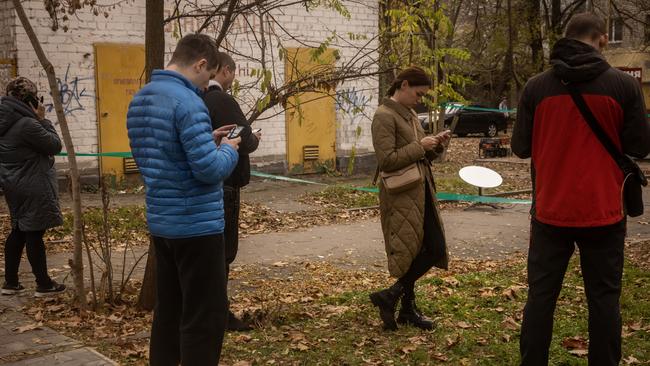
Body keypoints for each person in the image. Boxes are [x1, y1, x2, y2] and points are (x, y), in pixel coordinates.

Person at [512, 13, 650, 366]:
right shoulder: (624, 86)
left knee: (541, 297)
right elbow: (640, 145)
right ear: (602, 39)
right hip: (604, 210)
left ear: (566, 37)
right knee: (604, 300)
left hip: (549, 211)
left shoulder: (536, 87)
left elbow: (521, 147)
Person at [126, 34, 240, 366]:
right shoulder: (189, 103)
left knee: (169, 311)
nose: (208, 85)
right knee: (204, 317)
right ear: (201, 64)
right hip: (197, 227)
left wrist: (206, 138)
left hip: (163, 224)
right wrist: (227, 149)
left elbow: (163, 155)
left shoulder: (142, 98)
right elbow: (208, 169)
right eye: (208, 75)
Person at [369, 66, 451, 331]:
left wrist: (435, 145)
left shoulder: (410, 114)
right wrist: (420, 146)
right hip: (401, 194)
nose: (420, 99)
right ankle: (394, 297)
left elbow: (420, 155)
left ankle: (403, 305)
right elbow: (387, 160)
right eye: (418, 93)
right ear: (403, 86)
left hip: (421, 190)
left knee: (423, 249)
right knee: (418, 249)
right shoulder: (384, 115)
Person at [203, 51, 260, 332]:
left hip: (201, 187)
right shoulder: (222, 100)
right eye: (233, 74)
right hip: (225, 184)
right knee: (224, 252)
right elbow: (243, 138)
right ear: (224, 70)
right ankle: (219, 314)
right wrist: (253, 139)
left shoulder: (194, 100)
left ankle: (207, 311)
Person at [0, 77, 66, 298]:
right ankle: (44, 283)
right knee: (34, 232)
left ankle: (10, 282)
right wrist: (43, 120)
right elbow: (54, 145)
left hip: (13, 184)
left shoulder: (5, 122)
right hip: (32, 184)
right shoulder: (27, 124)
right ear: (28, 100)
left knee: (19, 230)